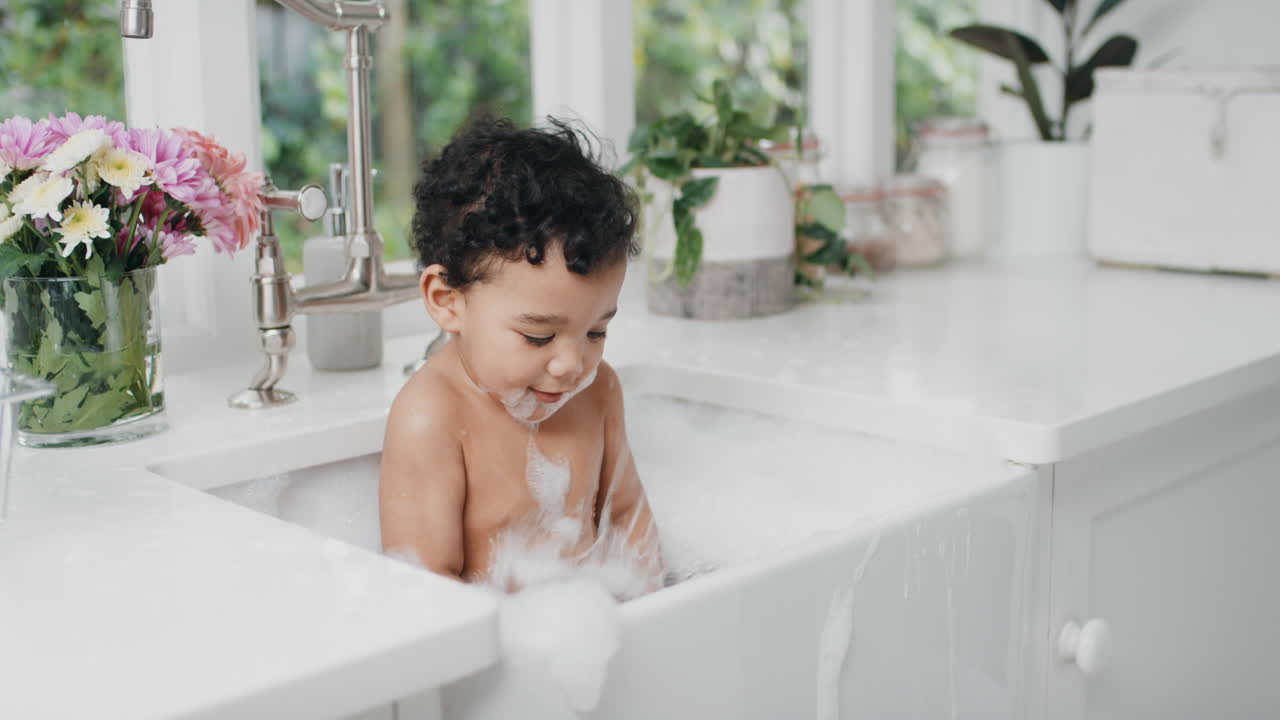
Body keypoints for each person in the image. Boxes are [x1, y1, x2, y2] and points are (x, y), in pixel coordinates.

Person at [379, 117, 662, 599]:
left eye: (597, 330)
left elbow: (626, 516)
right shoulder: (433, 417)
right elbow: (426, 589)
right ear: (447, 301)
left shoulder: (599, 390)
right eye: (537, 336)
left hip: (589, 633)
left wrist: (654, 606)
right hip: (498, 652)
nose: (572, 363)